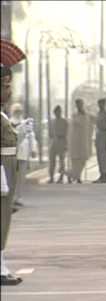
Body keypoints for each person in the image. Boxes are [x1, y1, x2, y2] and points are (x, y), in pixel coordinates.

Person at [1, 38, 26, 286]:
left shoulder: (3, 115)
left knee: (5, 217)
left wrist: (19, 131)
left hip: (7, 168)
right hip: (2, 169)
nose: (9, 91)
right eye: (6, 86)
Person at [10, 103, 37, 206]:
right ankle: (11, 197)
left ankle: (18, 197)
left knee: (21, 177)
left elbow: (31, 136)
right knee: (11, 177)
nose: (18, 112)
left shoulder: (26, 123)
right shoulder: (8, 122)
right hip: (11, 153)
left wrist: (33, 149)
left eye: (19, 110)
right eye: (16, 110)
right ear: (13, 111)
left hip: (23, 153)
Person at [67, 98, 91, 184]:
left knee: (83, 160)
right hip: (75, 141)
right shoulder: (74, 116)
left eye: (81, 104)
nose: (79, 106)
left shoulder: (86, 115)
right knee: (75, 161)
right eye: (78, 104)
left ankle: (71, 174)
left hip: (83, 140)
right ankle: (76, 177)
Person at [93, 98, 106, 184]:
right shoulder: (98, 114)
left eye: (101, 104)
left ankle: (105, 175)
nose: (100, 105)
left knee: (104, 157)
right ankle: (101, 174)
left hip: (104, 138)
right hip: (98, 137)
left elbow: (105, 127)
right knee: (99, 157)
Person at [49, 105, 68, 184]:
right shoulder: (52, 121)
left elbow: (67, 133)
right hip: (54, 142)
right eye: (56, 112)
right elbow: (50, 133)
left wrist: (66, 144)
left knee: (61, 161)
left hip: (61, 141)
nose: (57, 113)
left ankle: (61, 177)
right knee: (52, 160)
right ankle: (51, 177)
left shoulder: (64, 122)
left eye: (58, 111)